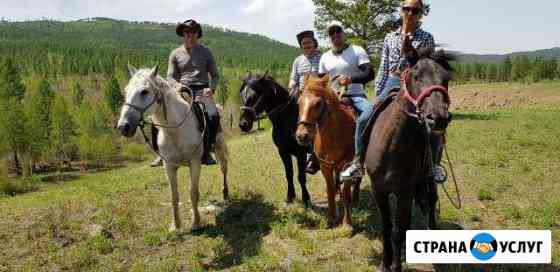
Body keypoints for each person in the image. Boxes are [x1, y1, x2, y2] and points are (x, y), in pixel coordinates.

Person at [374, 0, 446, 183]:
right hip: (392, 81)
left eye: (415, 10)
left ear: (421, 13)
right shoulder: (390, 37)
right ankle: (359, 160)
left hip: (415, 84)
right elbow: (383, 66)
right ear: (401, 11)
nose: (410, 13)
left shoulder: (426, 37)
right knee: (366, 117)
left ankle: (434, 165)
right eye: (407, 9)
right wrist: (378, 93)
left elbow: (428, 67)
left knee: (435, 121)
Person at [150, 19, 221, 166]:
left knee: (213, 115)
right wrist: (178, 85)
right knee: (157, 115)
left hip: (202, 90)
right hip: (180, 89)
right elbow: (170, 77)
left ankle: (208, 149)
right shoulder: (175, 54)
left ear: (198, 34)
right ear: (183, 34)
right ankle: (160, 153)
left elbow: (215, 76)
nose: (190, 35)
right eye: (187, 32)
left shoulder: (206, 52)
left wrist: (211, 88)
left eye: (193, 32)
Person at [317, 21, 375, 181]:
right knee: (311, 117)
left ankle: (365, 156)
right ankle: (316, 157)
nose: (335, 35)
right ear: (329, 37)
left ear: (344, 33)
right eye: (331, 33)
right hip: (333, 98)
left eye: (338, 31)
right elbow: (321, 81)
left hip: (356, 96)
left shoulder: (357, 50)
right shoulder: (324, 57)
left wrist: (350, 79)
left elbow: (370, 74)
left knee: (372, 113)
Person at [288, 30, 322, 174]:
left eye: (309, 42)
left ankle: (315, 155)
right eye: (303, 43)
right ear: (301, 46)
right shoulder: (298, 60)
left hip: (318, 95)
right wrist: (291, 86)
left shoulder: (323, 57)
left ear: (314, 43)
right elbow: (293, 78)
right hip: (302, 96)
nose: (307, 45)